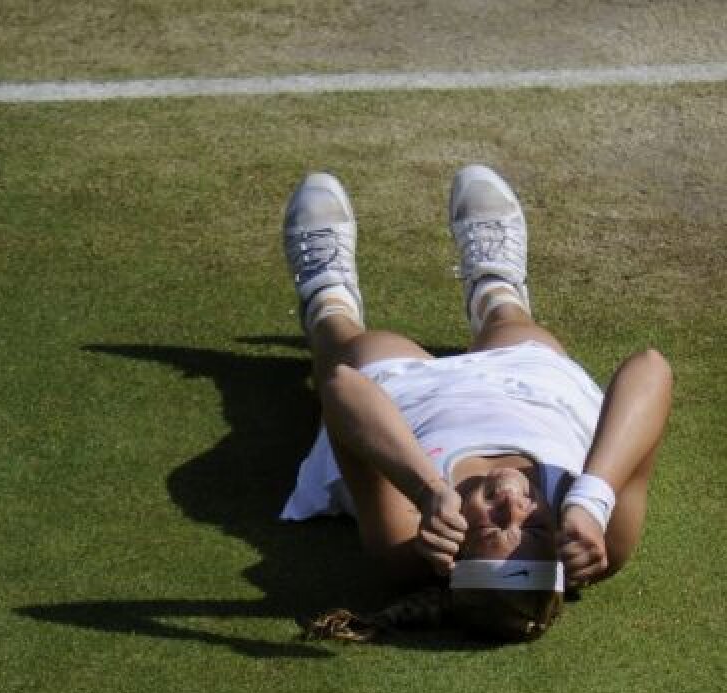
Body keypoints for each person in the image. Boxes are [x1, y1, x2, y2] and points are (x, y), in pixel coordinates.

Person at [279, 165, 672, 596]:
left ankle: (327, 296)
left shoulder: (405, 546)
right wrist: (593, 499)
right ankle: (495, 285)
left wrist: (426, 491)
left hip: (402, 405)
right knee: (518, 330)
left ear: (455, 555)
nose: (513, 505)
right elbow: (651, 369)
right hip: (532, 390)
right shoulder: (594, 541)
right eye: (538, 527)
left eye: (495, 528)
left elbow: (341, 388)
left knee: (355, 350)